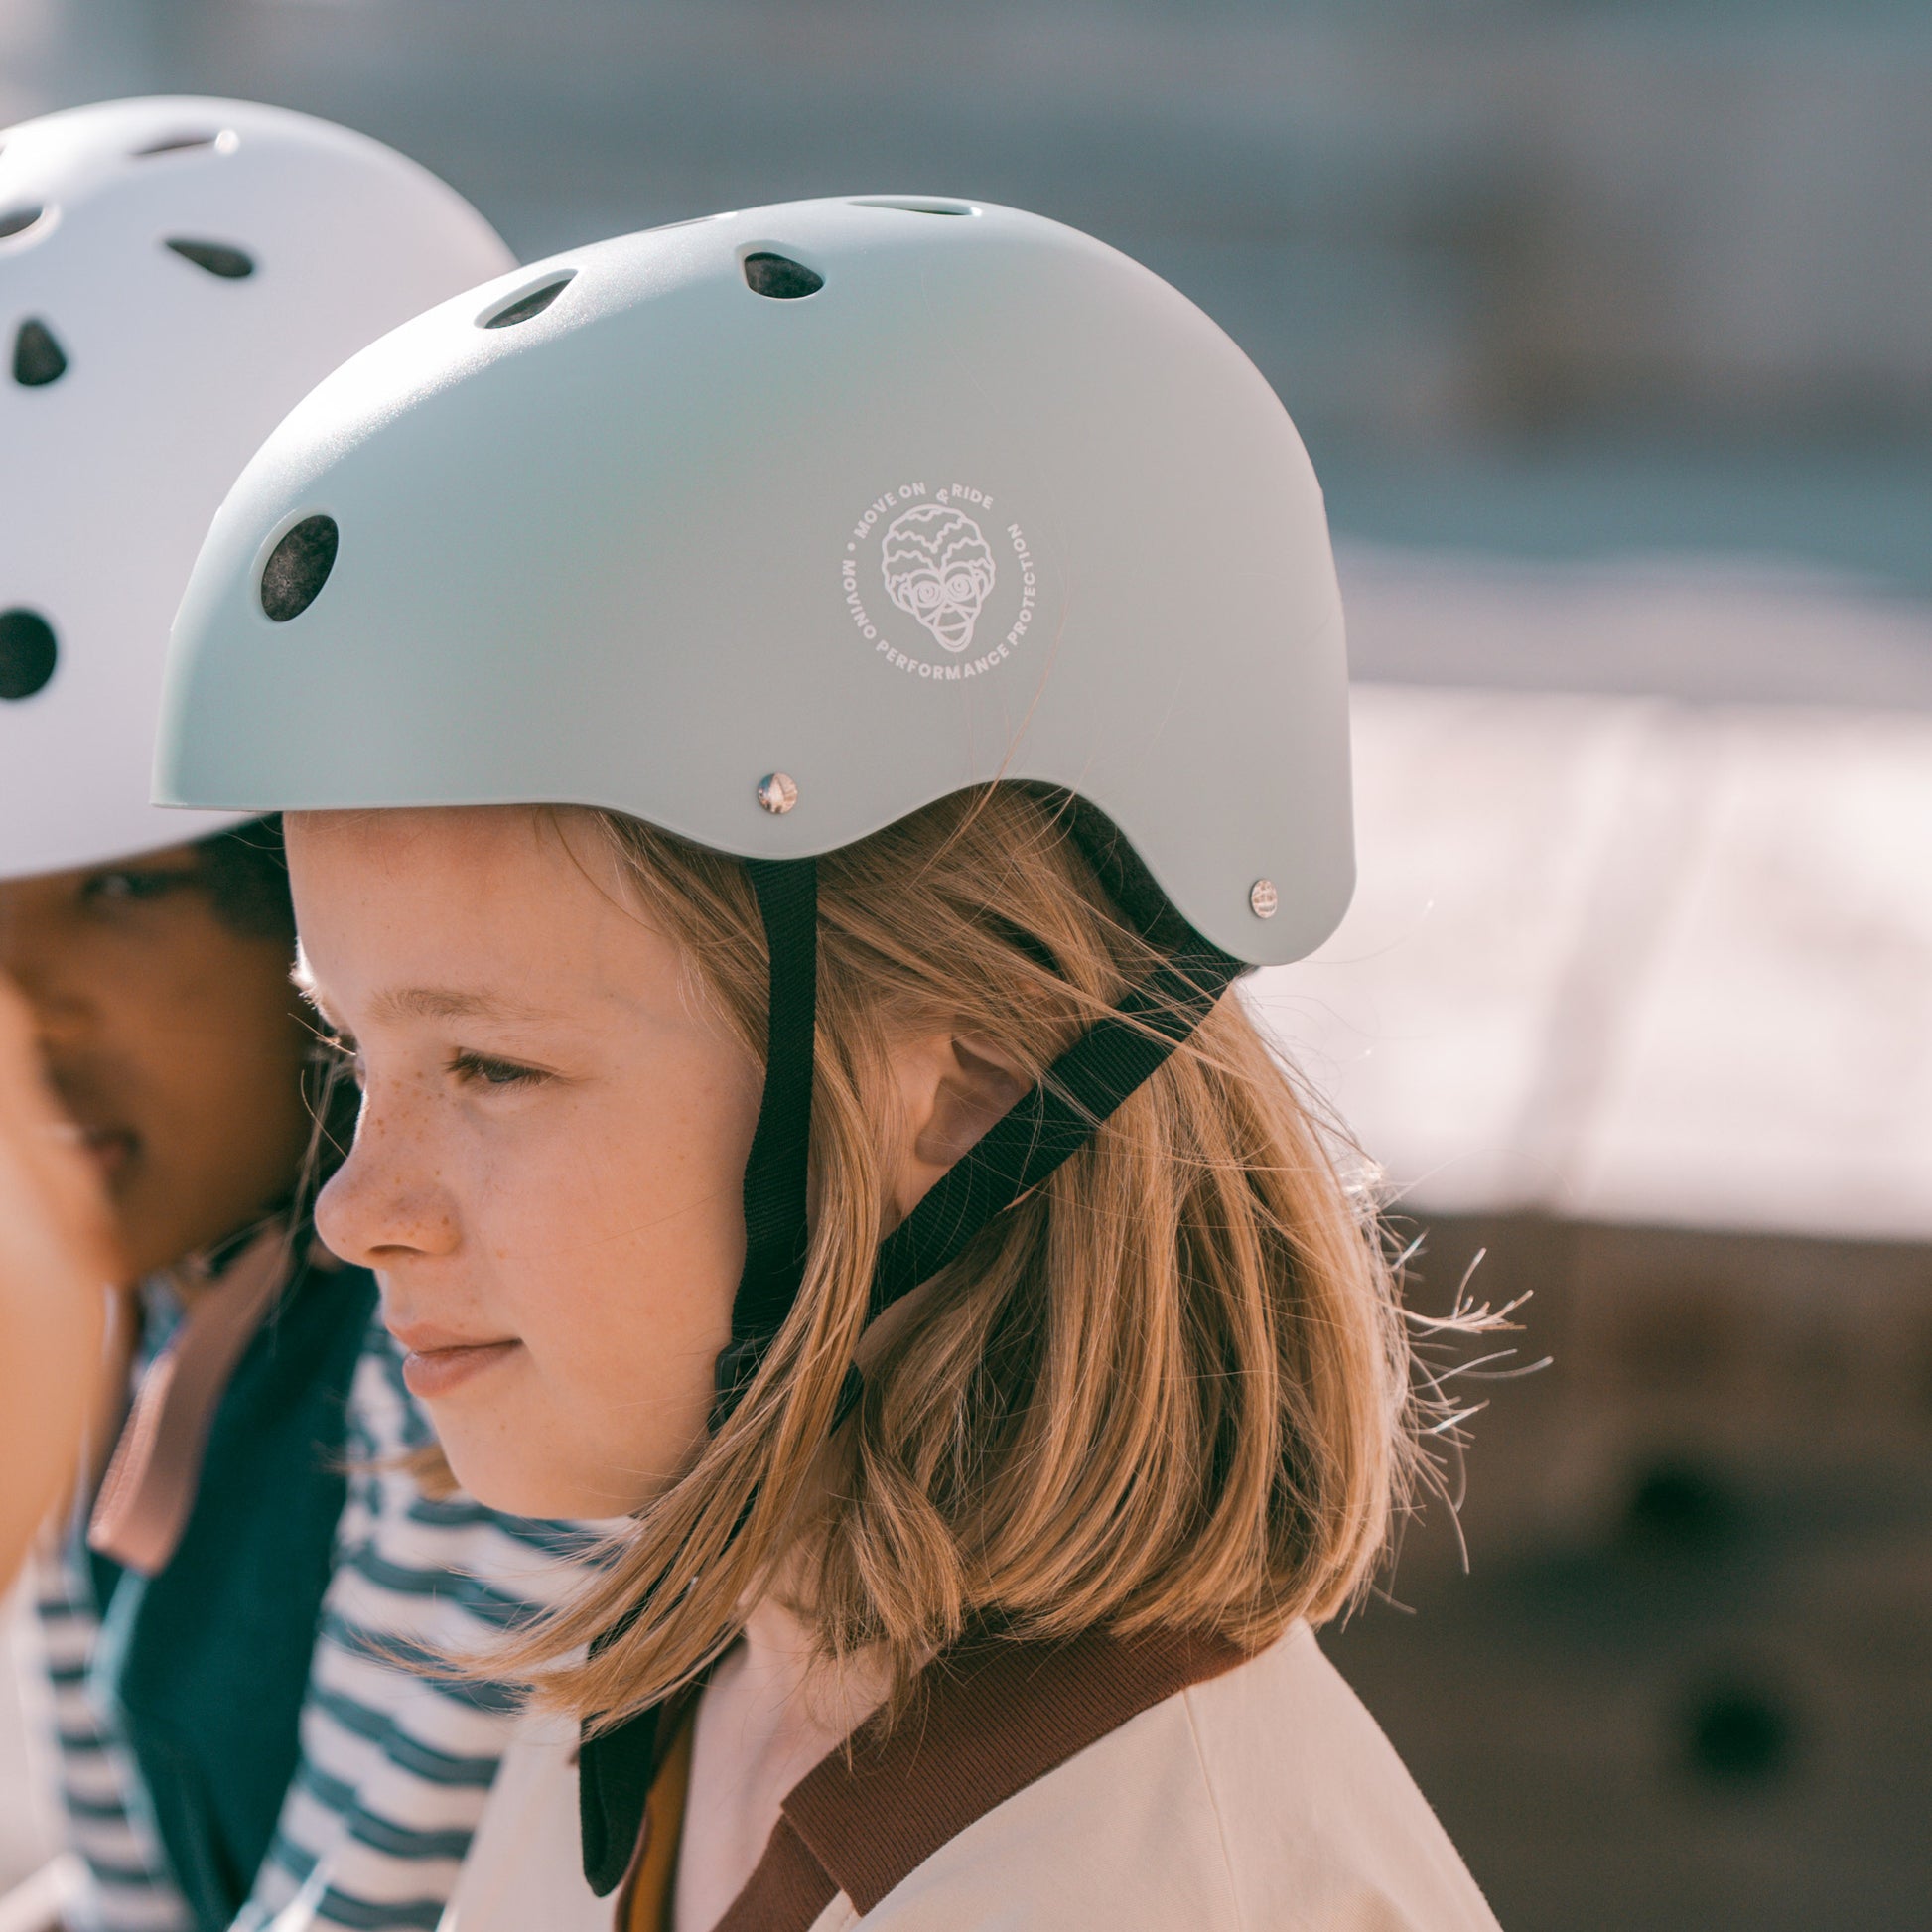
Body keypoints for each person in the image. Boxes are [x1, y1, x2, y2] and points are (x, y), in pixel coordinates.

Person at [151, 196, 1503, 1928]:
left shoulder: (1127, 1884)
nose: (357, 1211)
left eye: (488, 1066)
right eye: (354, 1049)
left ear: (965, 1081)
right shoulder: (696, 1677)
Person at [0, 97, 601, 1932]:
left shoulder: (465, 1355)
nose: (15, 1013)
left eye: (123, 890)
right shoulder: (146, 1283)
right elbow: (128, 1877)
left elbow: (364, 1897)